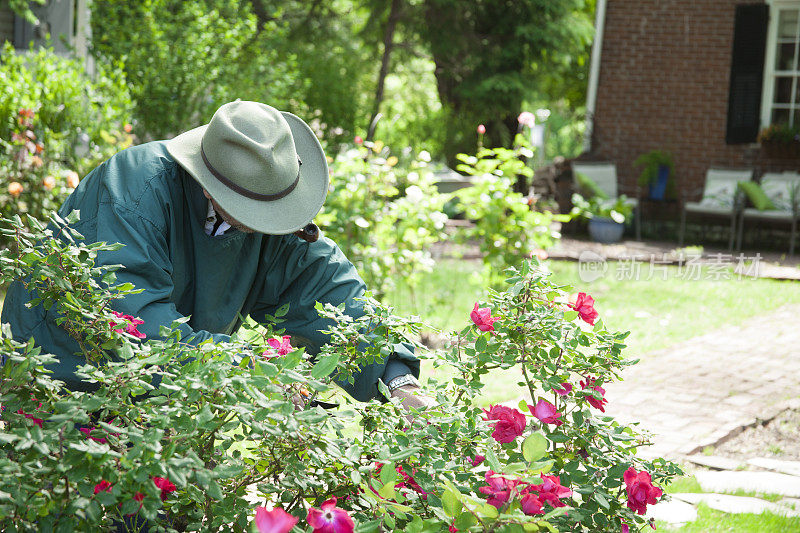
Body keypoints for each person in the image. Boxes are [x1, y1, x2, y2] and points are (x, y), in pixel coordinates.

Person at [1, 101, 428, 408]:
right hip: (67, 381)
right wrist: (252, 370)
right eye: (259, 211)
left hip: (167, 396)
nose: (270, 222)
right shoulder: (132, 192)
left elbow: (324, 287)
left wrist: (399, 377)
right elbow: (133, 328)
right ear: (209, 183)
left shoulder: (262, 213)